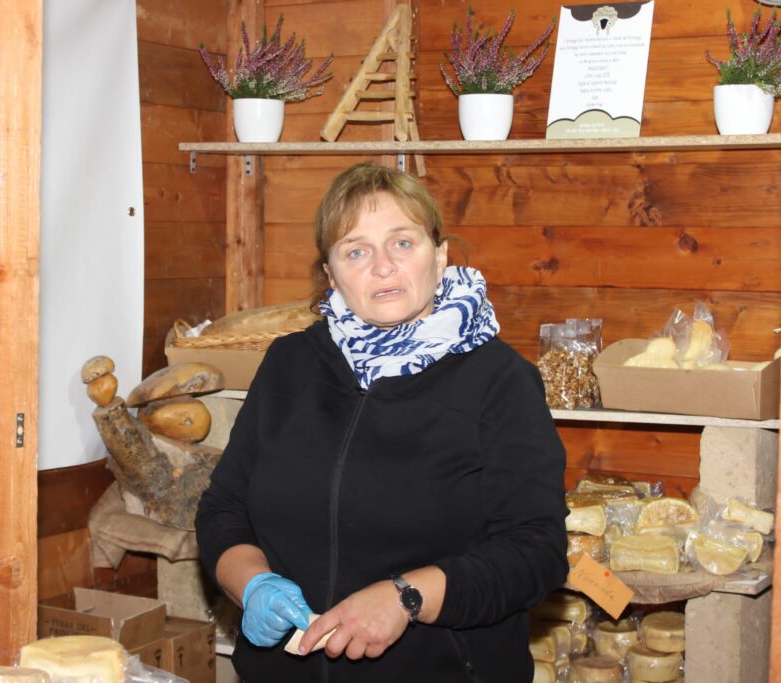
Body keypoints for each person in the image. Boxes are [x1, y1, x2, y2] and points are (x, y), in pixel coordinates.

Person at [195, 162, 568, 682]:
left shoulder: (498, 380)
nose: (382, 267)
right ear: (331, 274)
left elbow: (536, 552)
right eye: (356, 251)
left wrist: (407, 597)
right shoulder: (290, 364)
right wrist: (251, 582)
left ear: (439, 256)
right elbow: (224, 507)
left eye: (402, 243)